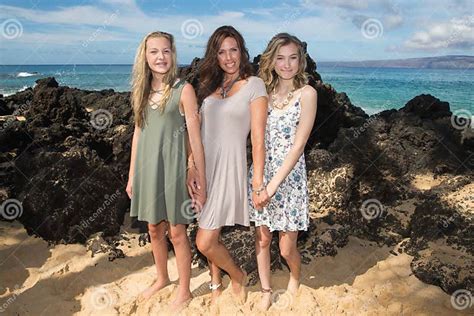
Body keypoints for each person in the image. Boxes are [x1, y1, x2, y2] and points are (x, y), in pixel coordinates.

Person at [126, 31, 206, 311]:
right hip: (147, 170)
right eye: (153, 52)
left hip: (173, 169)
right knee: (153, 227)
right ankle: (162, 278)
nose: (160, 57)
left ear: (173, 55)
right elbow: (138, 133)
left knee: (177, 232)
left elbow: (195, 137)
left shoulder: (183, 89)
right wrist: (132, 174)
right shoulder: (142, 90)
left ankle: (184, 290)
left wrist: (195, 170)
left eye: (166, 51)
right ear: (144, 57)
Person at [189, 25, 268, 304]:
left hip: (228, 170)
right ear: (215, 55)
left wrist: (257, 183)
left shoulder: (255, 85)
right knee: (209, 224)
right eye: (222, 52)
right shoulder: (210, 87)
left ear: (242, 51)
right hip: (203, 169)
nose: (229, 57)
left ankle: (238, 275)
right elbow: (196, 133)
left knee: (204, 240)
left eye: (233, 49)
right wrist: (191, 167)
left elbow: (258, 139)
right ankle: (214, 281)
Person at [249, 33, 317, 310]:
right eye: (280, 58)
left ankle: (295, 277)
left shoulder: (308, 94)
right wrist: (257, 182)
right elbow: (255, 137)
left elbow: (299, 144)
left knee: (286, 248)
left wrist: (272, 186)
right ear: (271, 60)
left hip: (289, 179)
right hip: (260, 174)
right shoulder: (262, 91)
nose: (286, 64)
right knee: (262, 238)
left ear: (300, 61)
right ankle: (265, 289)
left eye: (292, 58)